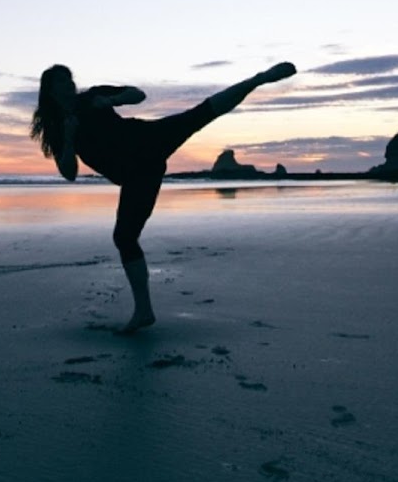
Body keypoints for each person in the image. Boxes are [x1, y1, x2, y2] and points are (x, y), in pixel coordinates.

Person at [30, 61, 296, 333]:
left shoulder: (93, 96)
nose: (69, 84)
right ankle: (143, 312)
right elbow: (69, 173)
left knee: (200, 114)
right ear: (50, 90)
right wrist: (70, 137)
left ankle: (258, 79)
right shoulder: (56, 127)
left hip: (149, 139)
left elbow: (138, 94)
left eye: (69, 78)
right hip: (138, 174)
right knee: (124, 237)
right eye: (61, 81)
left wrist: (109, 100)